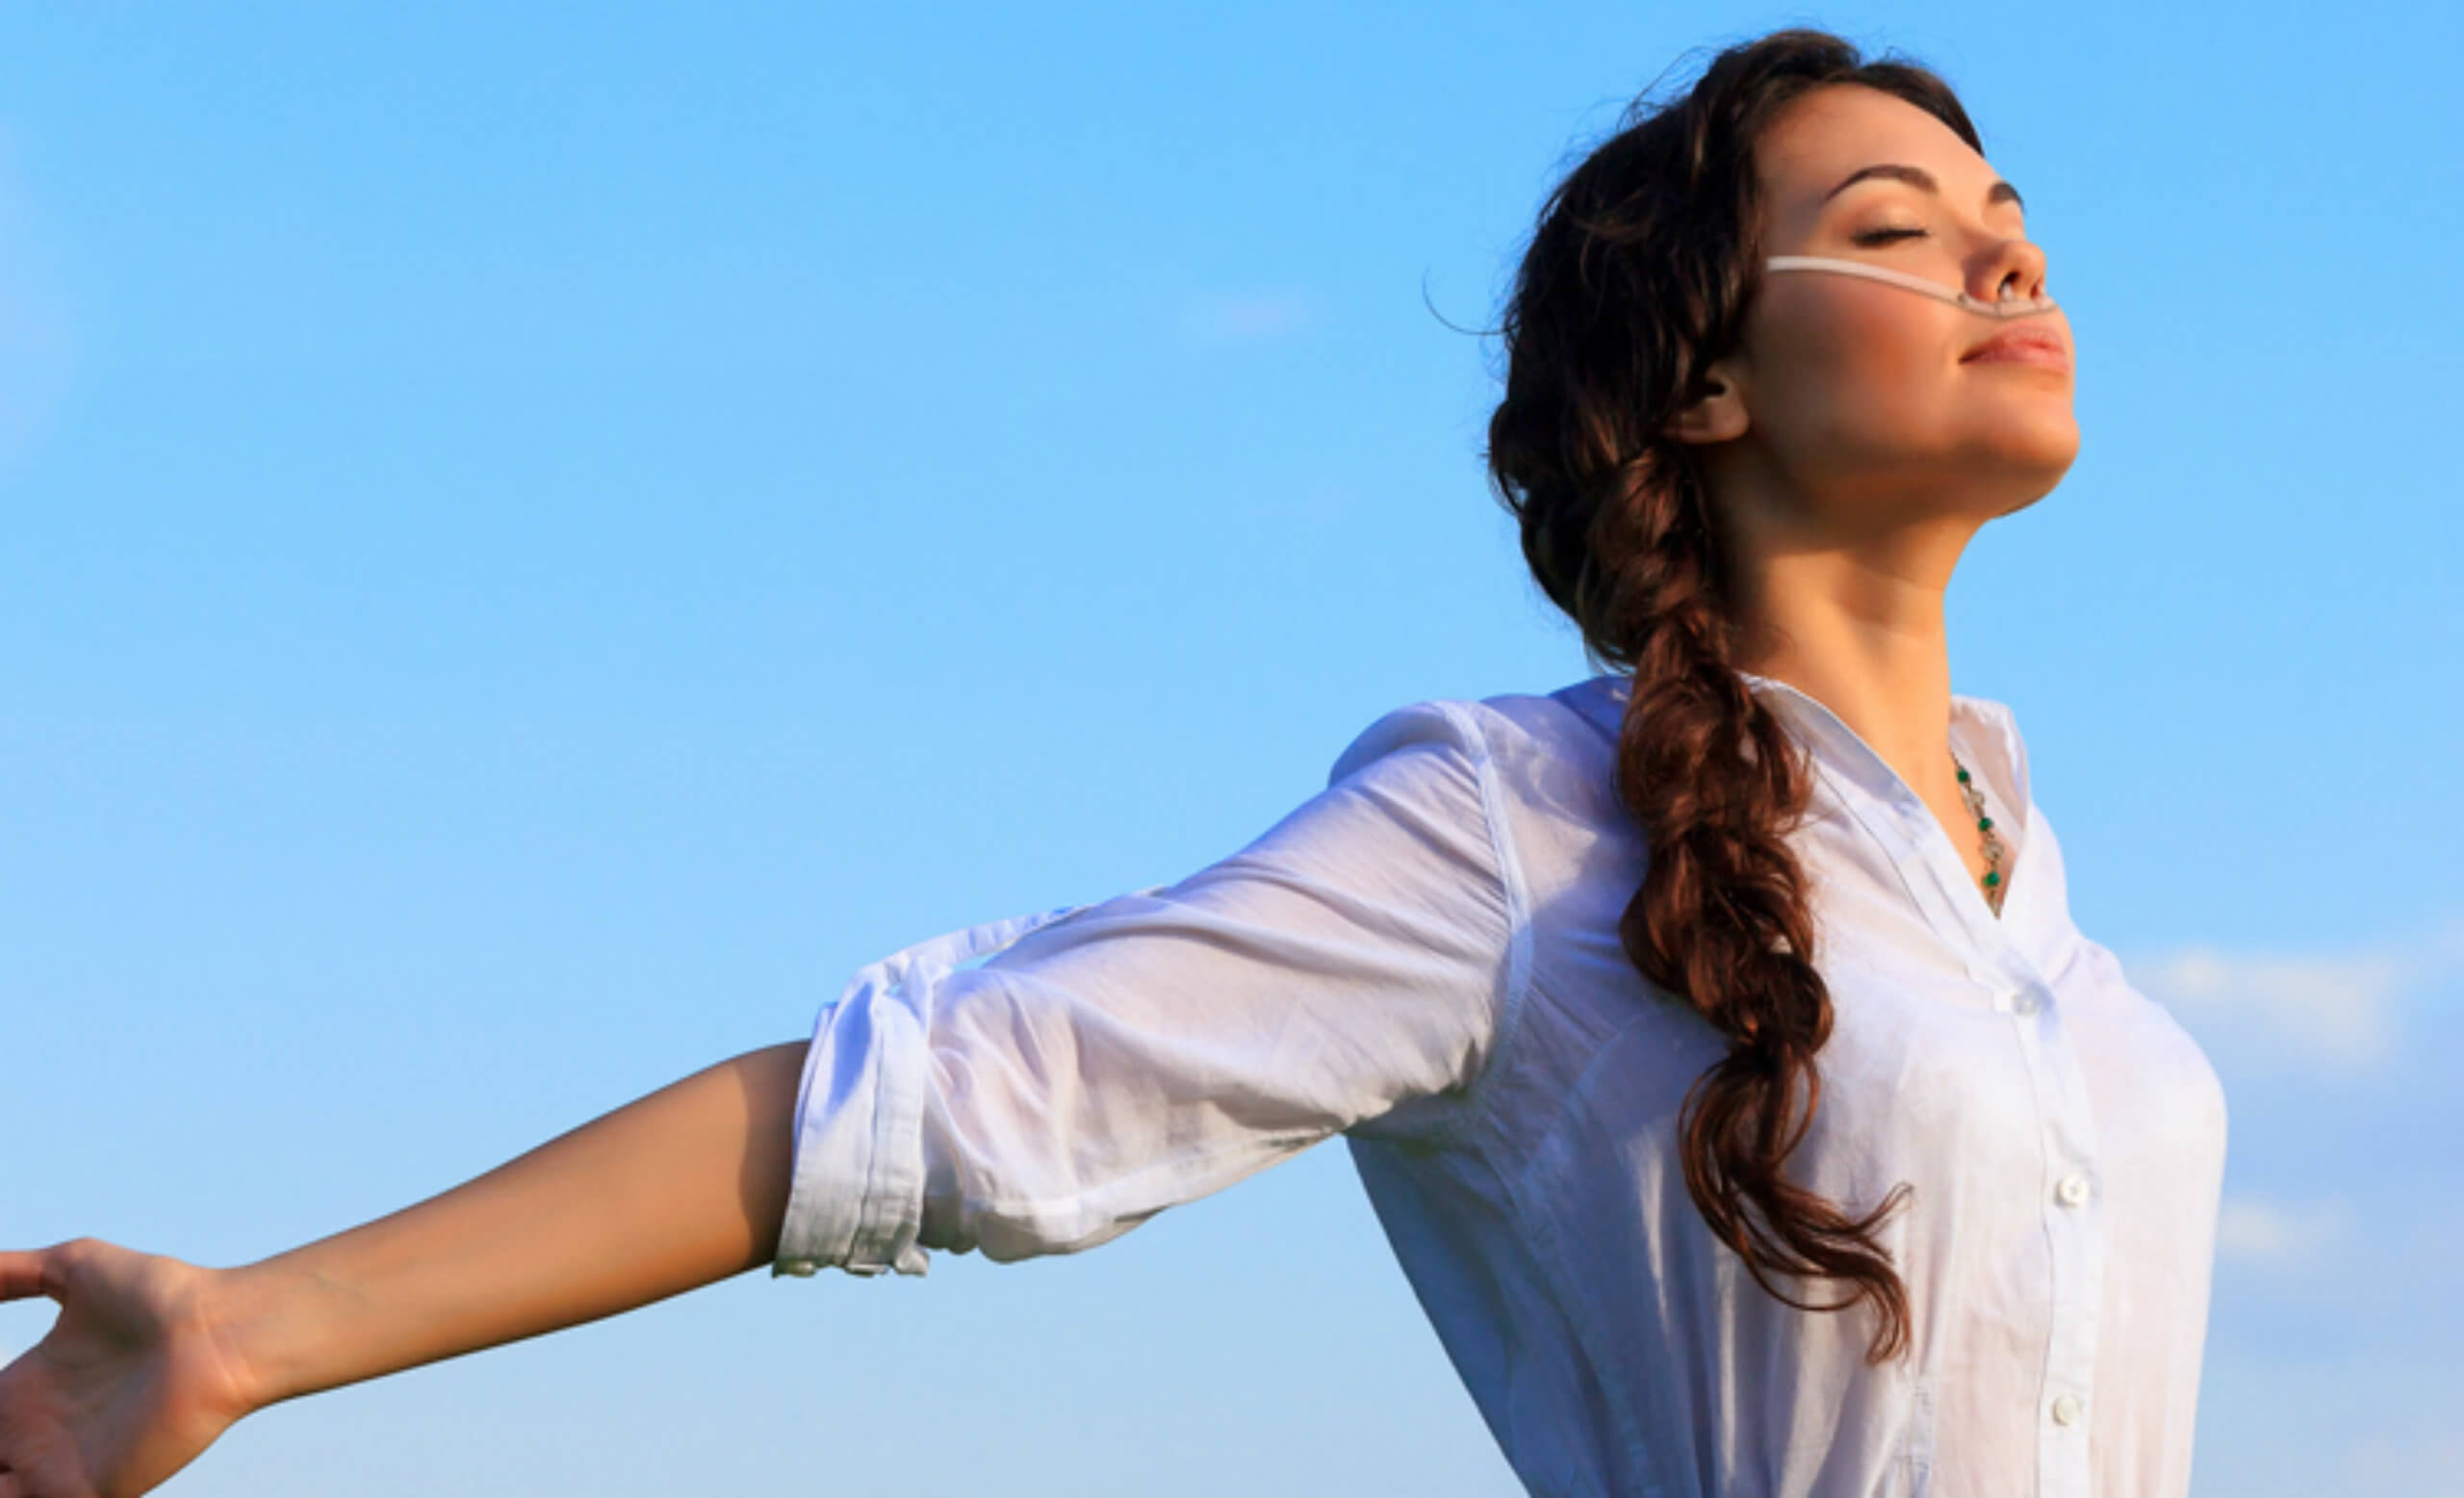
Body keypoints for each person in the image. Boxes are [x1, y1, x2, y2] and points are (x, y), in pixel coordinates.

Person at [0, 27, 2229, 1498]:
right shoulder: (1510, 833)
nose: (1995, 247)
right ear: (1710, 388)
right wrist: (247, 1326)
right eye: (1887, 229)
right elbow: (935, 1095)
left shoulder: (2032, 910)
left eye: (2000, 209)